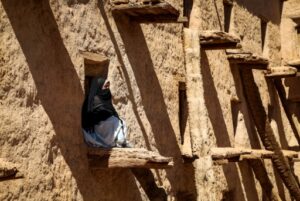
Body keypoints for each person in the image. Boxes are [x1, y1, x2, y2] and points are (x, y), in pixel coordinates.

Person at [81, 77, 130, 148]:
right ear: (99, 86)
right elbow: (92, 116)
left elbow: (111, 111)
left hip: (107, 125)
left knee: (119, 121)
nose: (107, 89)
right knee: (115, 121)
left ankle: (119, 141)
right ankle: (119, 141)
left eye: (108, 86)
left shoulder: (104, 97)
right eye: (105, 86)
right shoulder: (93, 100)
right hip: (96, 128)